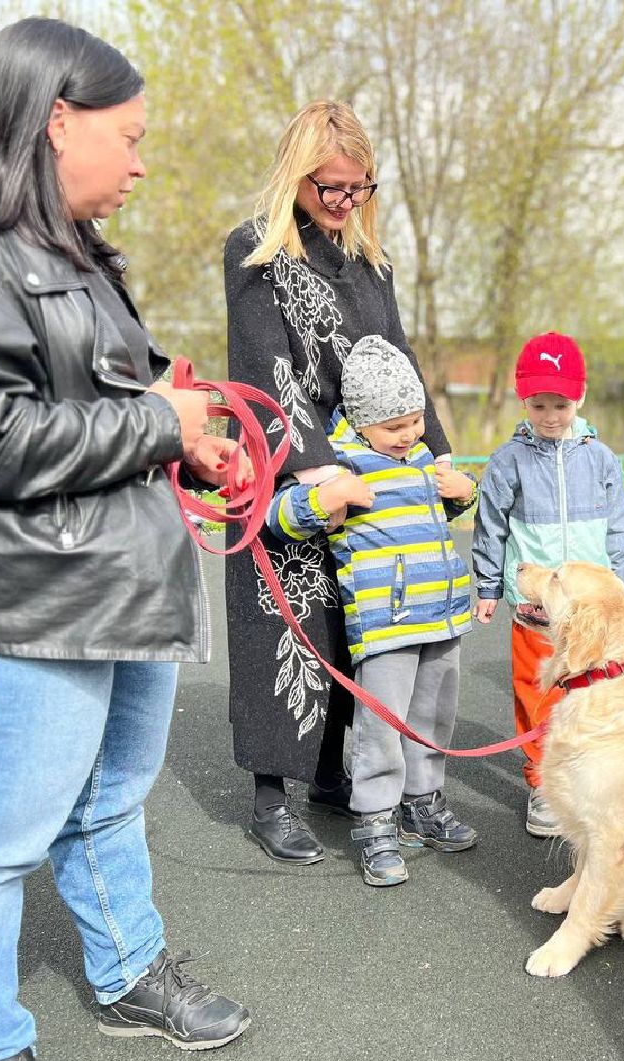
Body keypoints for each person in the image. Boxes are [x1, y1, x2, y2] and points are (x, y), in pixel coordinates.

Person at [0, 18, 249, 1061]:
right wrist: (159, 423)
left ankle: (127, 971)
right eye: (129, 136)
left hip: (115, 587)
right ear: (58, 120)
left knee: (109, 802)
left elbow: (97, 408)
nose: (140, 162)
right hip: (19, 607)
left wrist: (188, 443)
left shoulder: (70, 253)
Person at [223, 101, 455, 865]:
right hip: (286, 464)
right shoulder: (254, 251)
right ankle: (270, 797)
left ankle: (331, 778)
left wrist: (437, 459)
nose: (345, 201)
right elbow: (266, 371)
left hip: (367, 470)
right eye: (330, 187)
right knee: (287, 628)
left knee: (358, 628)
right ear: (296, 176)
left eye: (360, 188)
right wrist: (321, 473)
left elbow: (401, 365)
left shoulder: (370, 265)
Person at [264, 336, 479, 886]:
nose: (409, 434)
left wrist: (464, 492)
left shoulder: (423, 457)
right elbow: (279, 517)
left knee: (433, 718)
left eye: (415, 421)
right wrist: (324, 500)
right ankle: (375, 821)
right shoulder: (338, 466)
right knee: (381, 727)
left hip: (442, 616)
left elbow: (441, 509)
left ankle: (423, 802)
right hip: (387, 623)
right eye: (394, 426)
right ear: (362, 422)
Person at [471, 332, 624, 836]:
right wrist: (488, 587)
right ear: (524, 401)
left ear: (579, 398)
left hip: (589, 607)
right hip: (536, 606)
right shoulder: (509, 460)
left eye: (560, 405)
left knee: (593, 693)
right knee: (537, 692)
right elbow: (490, 525)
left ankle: (590, 778)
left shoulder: (601, 458)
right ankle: (544, 783)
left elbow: (618, 528)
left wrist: (619, 589)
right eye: (538, 405)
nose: (549, 416)